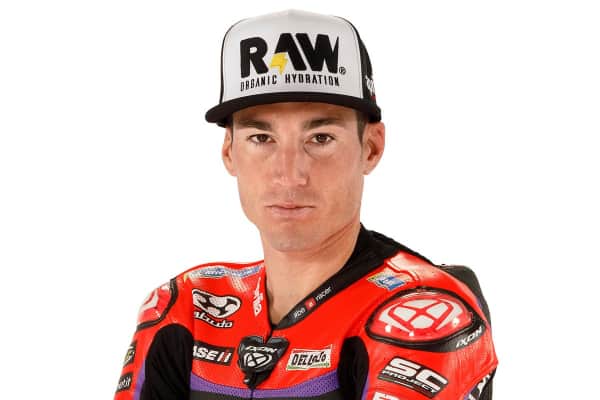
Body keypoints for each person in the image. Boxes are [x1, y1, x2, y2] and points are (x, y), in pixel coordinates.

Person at [114, 9, 498, 400]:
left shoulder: (425, 314)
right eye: (261, 138)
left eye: (321, 138)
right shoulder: (187, 308)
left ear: (371, 147)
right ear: (229, 152)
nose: (289, 174)